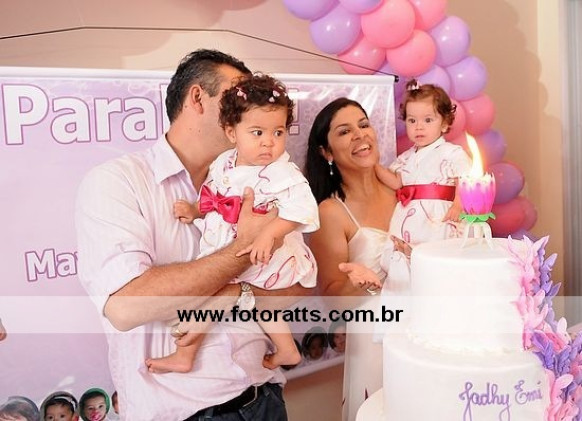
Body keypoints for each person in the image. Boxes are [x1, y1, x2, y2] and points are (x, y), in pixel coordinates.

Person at [75, 49, 307, 421]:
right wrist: (243, 248)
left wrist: (235, 294)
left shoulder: (261, 181)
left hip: (265, 398)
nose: (247, 111)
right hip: (185, 414)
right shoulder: (119, 181)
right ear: (197, 98)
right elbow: (125, 306)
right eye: (236, 97)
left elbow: (296, 289)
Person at [145, 73, 318, 374]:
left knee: (211, 294)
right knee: (244, 296)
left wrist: (269, 235)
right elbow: (215, 194)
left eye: (278, 132)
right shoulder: (224, 162)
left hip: (269, 254)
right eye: (257, 132)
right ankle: (287, 350)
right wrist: (197, 210)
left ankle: (185, 354)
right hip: (233, 246)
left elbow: (300, 210)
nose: (269, 142)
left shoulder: (283, 173)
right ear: (231, 132)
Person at [305, 97, 398, 421]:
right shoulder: (330, 211)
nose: (360, 135)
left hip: (421, 325)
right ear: (326, 152)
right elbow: (333, 298)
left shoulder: (402, 189)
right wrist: (365, 283)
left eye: (363, 125)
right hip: (374, 339)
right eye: (345, 132)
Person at [374, 79, 472, 275]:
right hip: (409, 214)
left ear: (444, 123)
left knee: (436, 255)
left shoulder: (450, 153)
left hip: (437, 214)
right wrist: (373, 165)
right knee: (405, 258)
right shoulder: (406, 157)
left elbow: (465, 178)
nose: (419, 127)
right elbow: (397, 182)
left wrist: (458, 204)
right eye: (412, 121)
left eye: (428, 120)